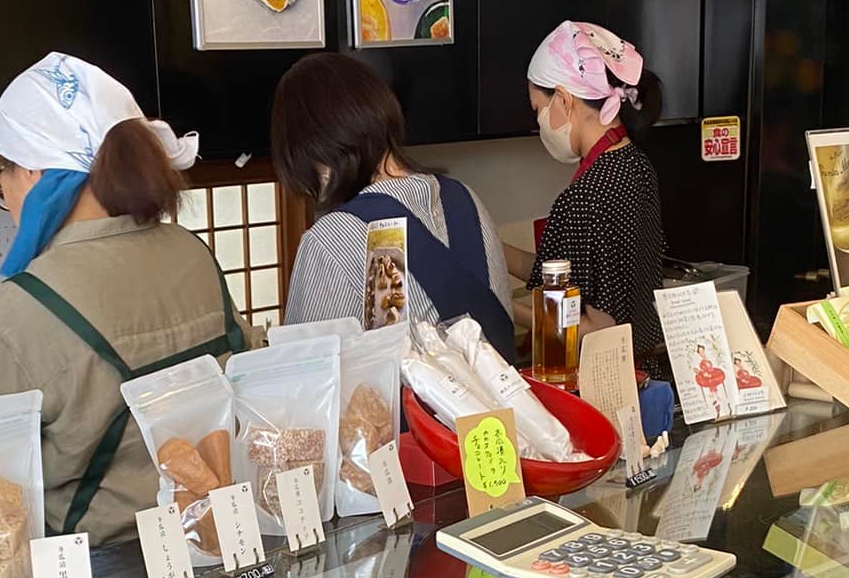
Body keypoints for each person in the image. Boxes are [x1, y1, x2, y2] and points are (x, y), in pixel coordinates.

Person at [0, 54, 243, 545]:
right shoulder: (192, 254)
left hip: (99, 574)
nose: (4, 197)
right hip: (217, 540)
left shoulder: (28, 306)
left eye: (1, 178)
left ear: (32, 172)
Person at [270, 53, 514, 354]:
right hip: (503, 384)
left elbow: (304, 369)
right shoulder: (467, 199)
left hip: (406, 389)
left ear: (310, 150)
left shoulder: (332, 237)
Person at [517, 20, 665, 347]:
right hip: (644, 359)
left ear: (563, 99)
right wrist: (489, 251)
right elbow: (562, 269)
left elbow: (597, 329)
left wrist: (502, 305)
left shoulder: (586, 195)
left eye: (538, 110)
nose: (539, 122)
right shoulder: (635, 165)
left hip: (607, 368)